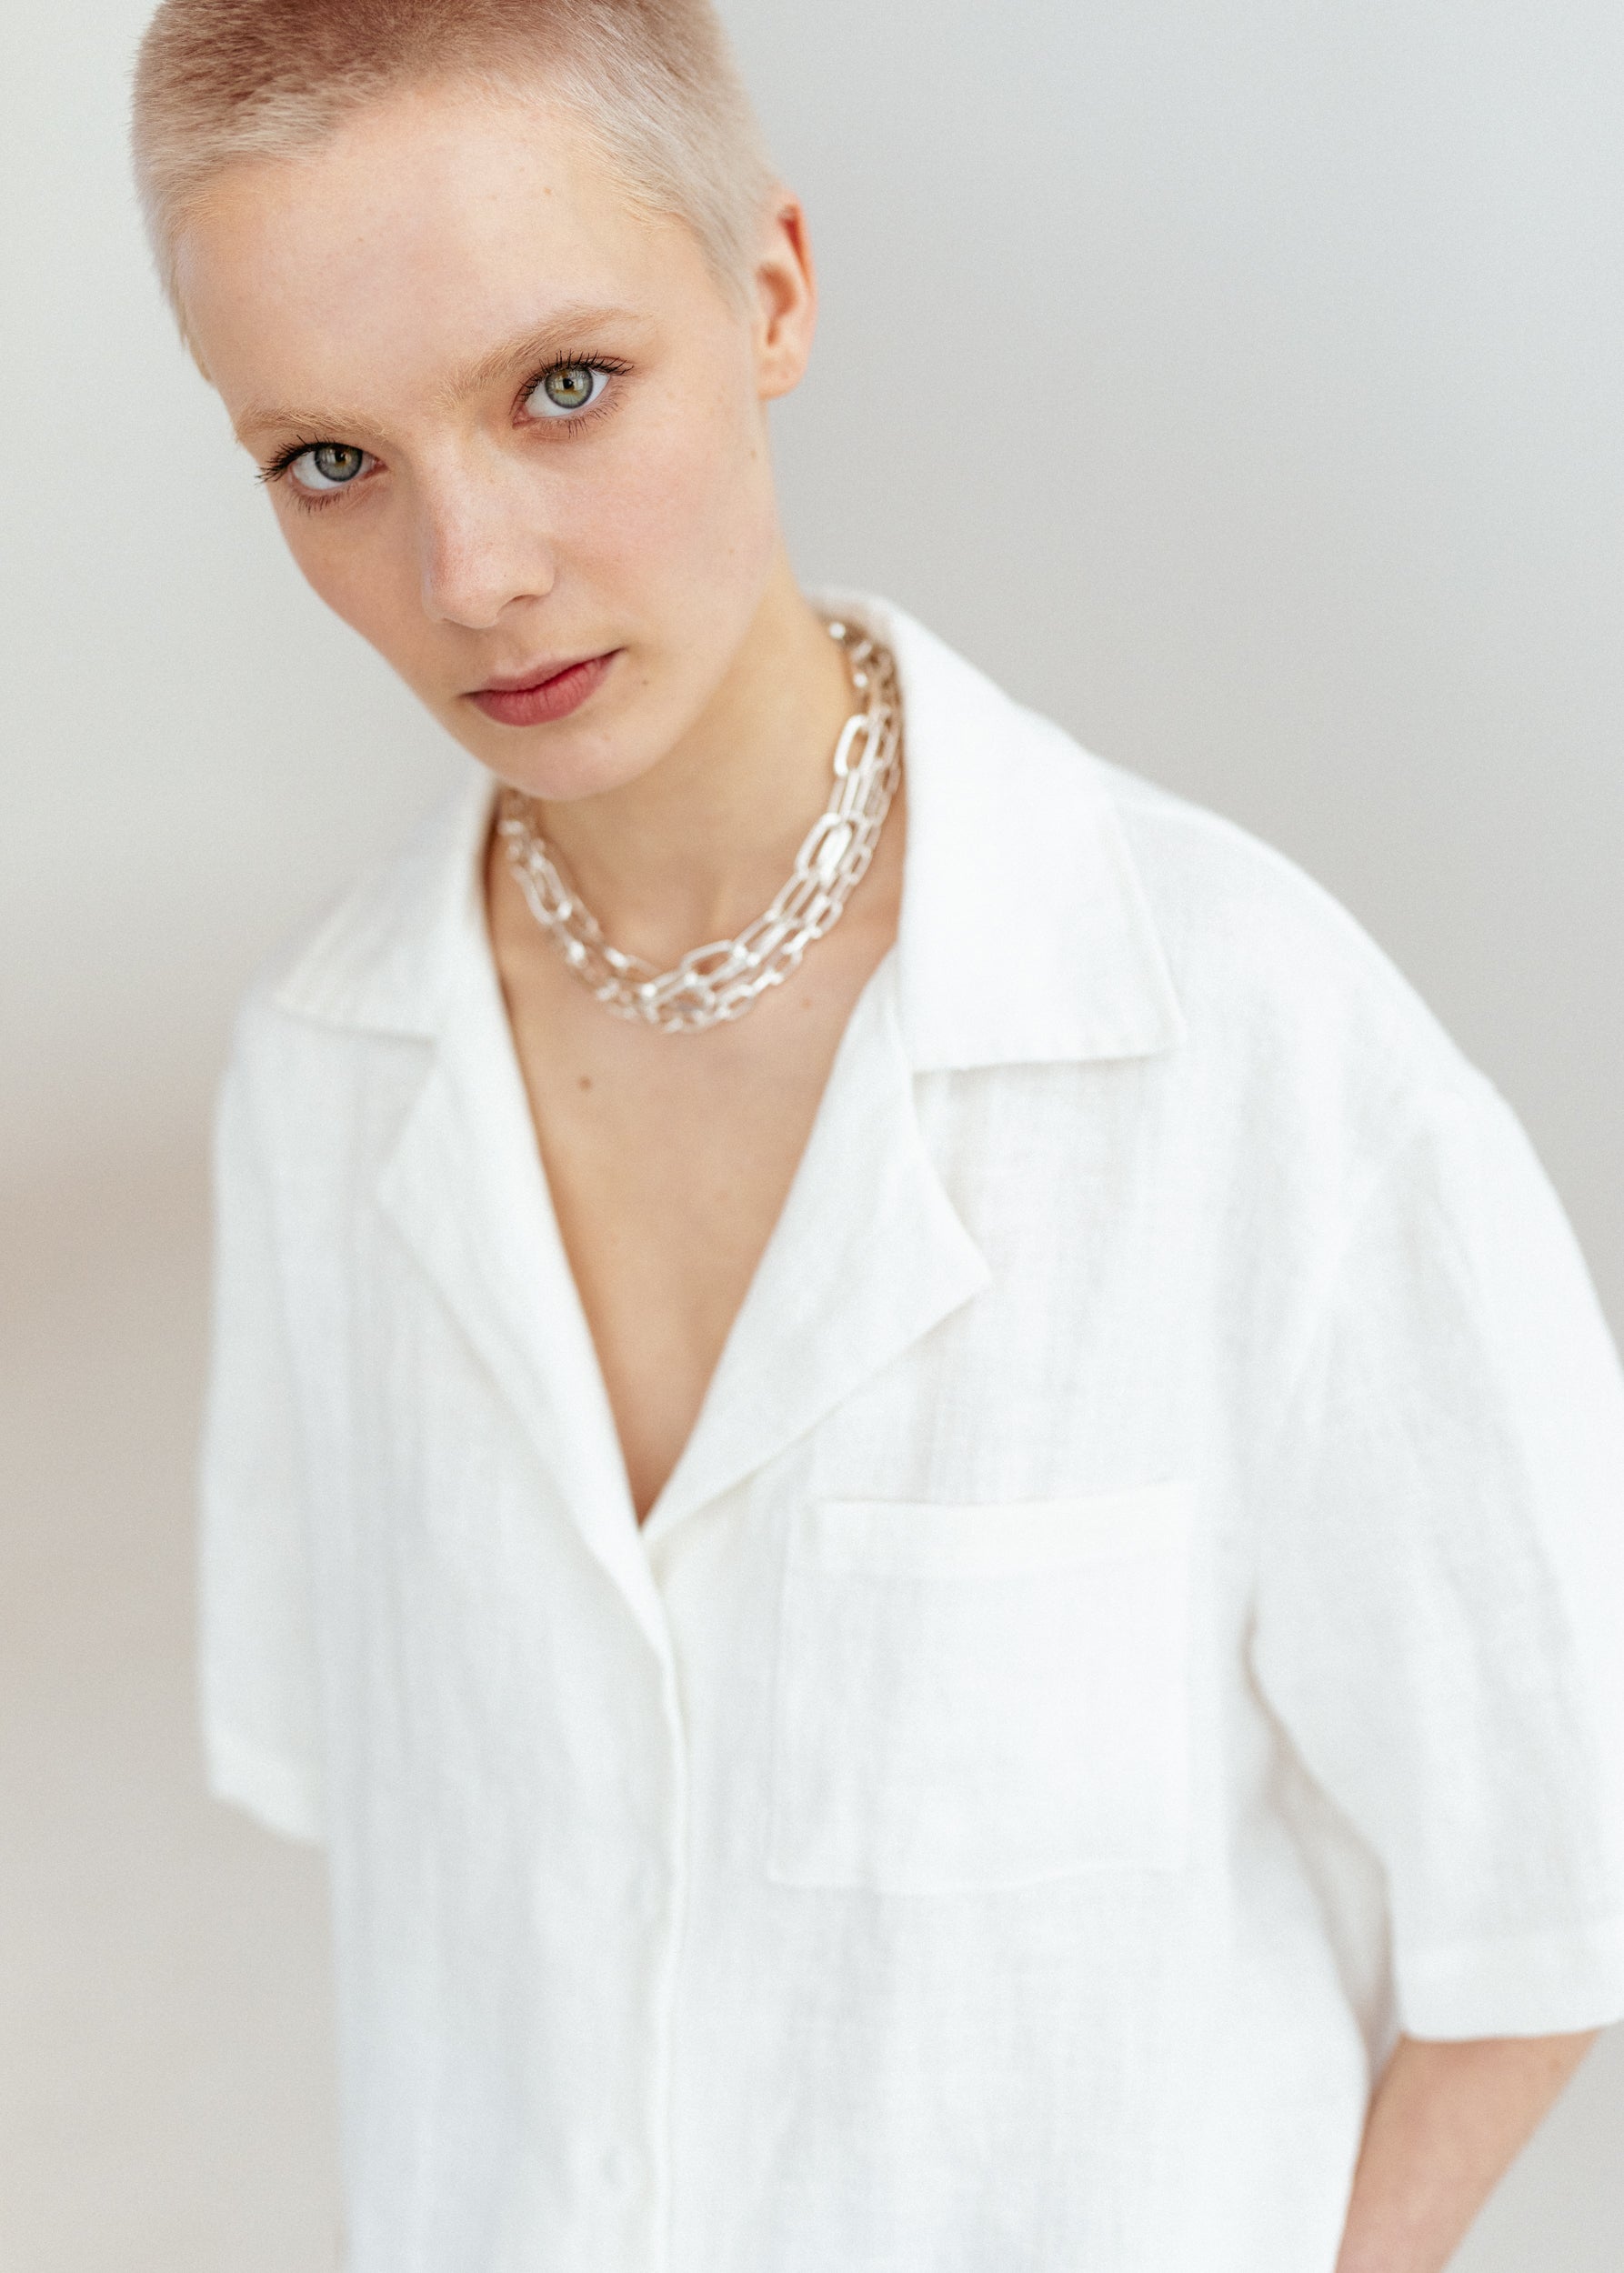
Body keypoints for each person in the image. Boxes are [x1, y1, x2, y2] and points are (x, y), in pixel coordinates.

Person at [130, 3, 1624, 2268]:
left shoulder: (1253, 1057)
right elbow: (452, 1880)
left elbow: (1556, 1873)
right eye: (329, 458)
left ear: (770, 294)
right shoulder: (323, 1076)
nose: (470, 571)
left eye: (560, 386)